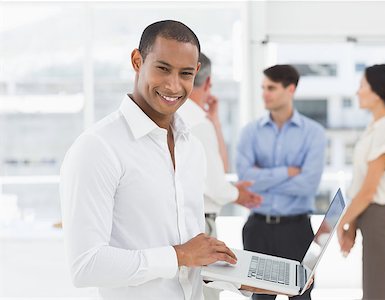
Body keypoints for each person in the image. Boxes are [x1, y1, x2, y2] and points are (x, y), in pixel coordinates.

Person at [59, 20, 238, 300]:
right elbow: (85, 266)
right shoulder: (97, 147)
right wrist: (178, 256)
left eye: (185, 73)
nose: (173, 85)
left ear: (197, 73)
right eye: (162, 68)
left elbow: (191, 258)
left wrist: (240, 280)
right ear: (137, 61)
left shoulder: (192, 147)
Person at [236, 64, 327, 300]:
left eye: (271, 88)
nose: (264, 94)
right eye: (263, 88)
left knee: (301, 296)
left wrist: (263, 177)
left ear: (291, 89)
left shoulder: (313, 133)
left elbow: (307, 185)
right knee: (260, 298)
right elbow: (246, 180)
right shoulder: (250, 133)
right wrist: (288, 171)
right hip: (258, 230)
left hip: (296, 230)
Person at [177, 52, 262, 299]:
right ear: (208, 82)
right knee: (204, 294)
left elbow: (218, 170)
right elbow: (218, 186)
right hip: (199, 226)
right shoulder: (196, 122)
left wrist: (213, 120)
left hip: (188, 227)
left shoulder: (180, 118)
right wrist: (239, 194)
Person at [337, 64, 385, 300]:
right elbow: (362, 188)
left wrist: (342, 223)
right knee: (384, 292)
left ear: (376, 92)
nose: (357, 92)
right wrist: (353, 224)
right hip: (372, 219)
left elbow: (368, 190)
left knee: (378, 294)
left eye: (361, 86)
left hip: (378, 220)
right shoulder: (377, 128)